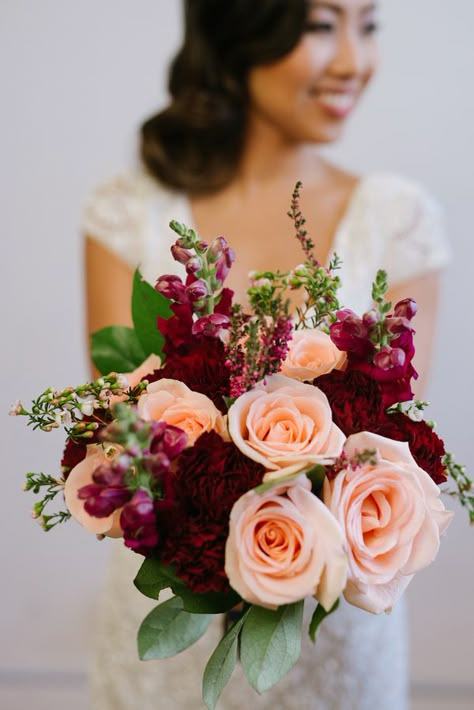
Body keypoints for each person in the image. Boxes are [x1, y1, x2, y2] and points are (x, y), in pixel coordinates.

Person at [83, 1, 451, 708]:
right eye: (321, 24)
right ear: (242, 28)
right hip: (170, 623)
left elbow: (386, 443)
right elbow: (120, 433)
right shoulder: (126, 209)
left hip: (331, 630)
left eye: (368, 24)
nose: (355, 59)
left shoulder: (398, 219)